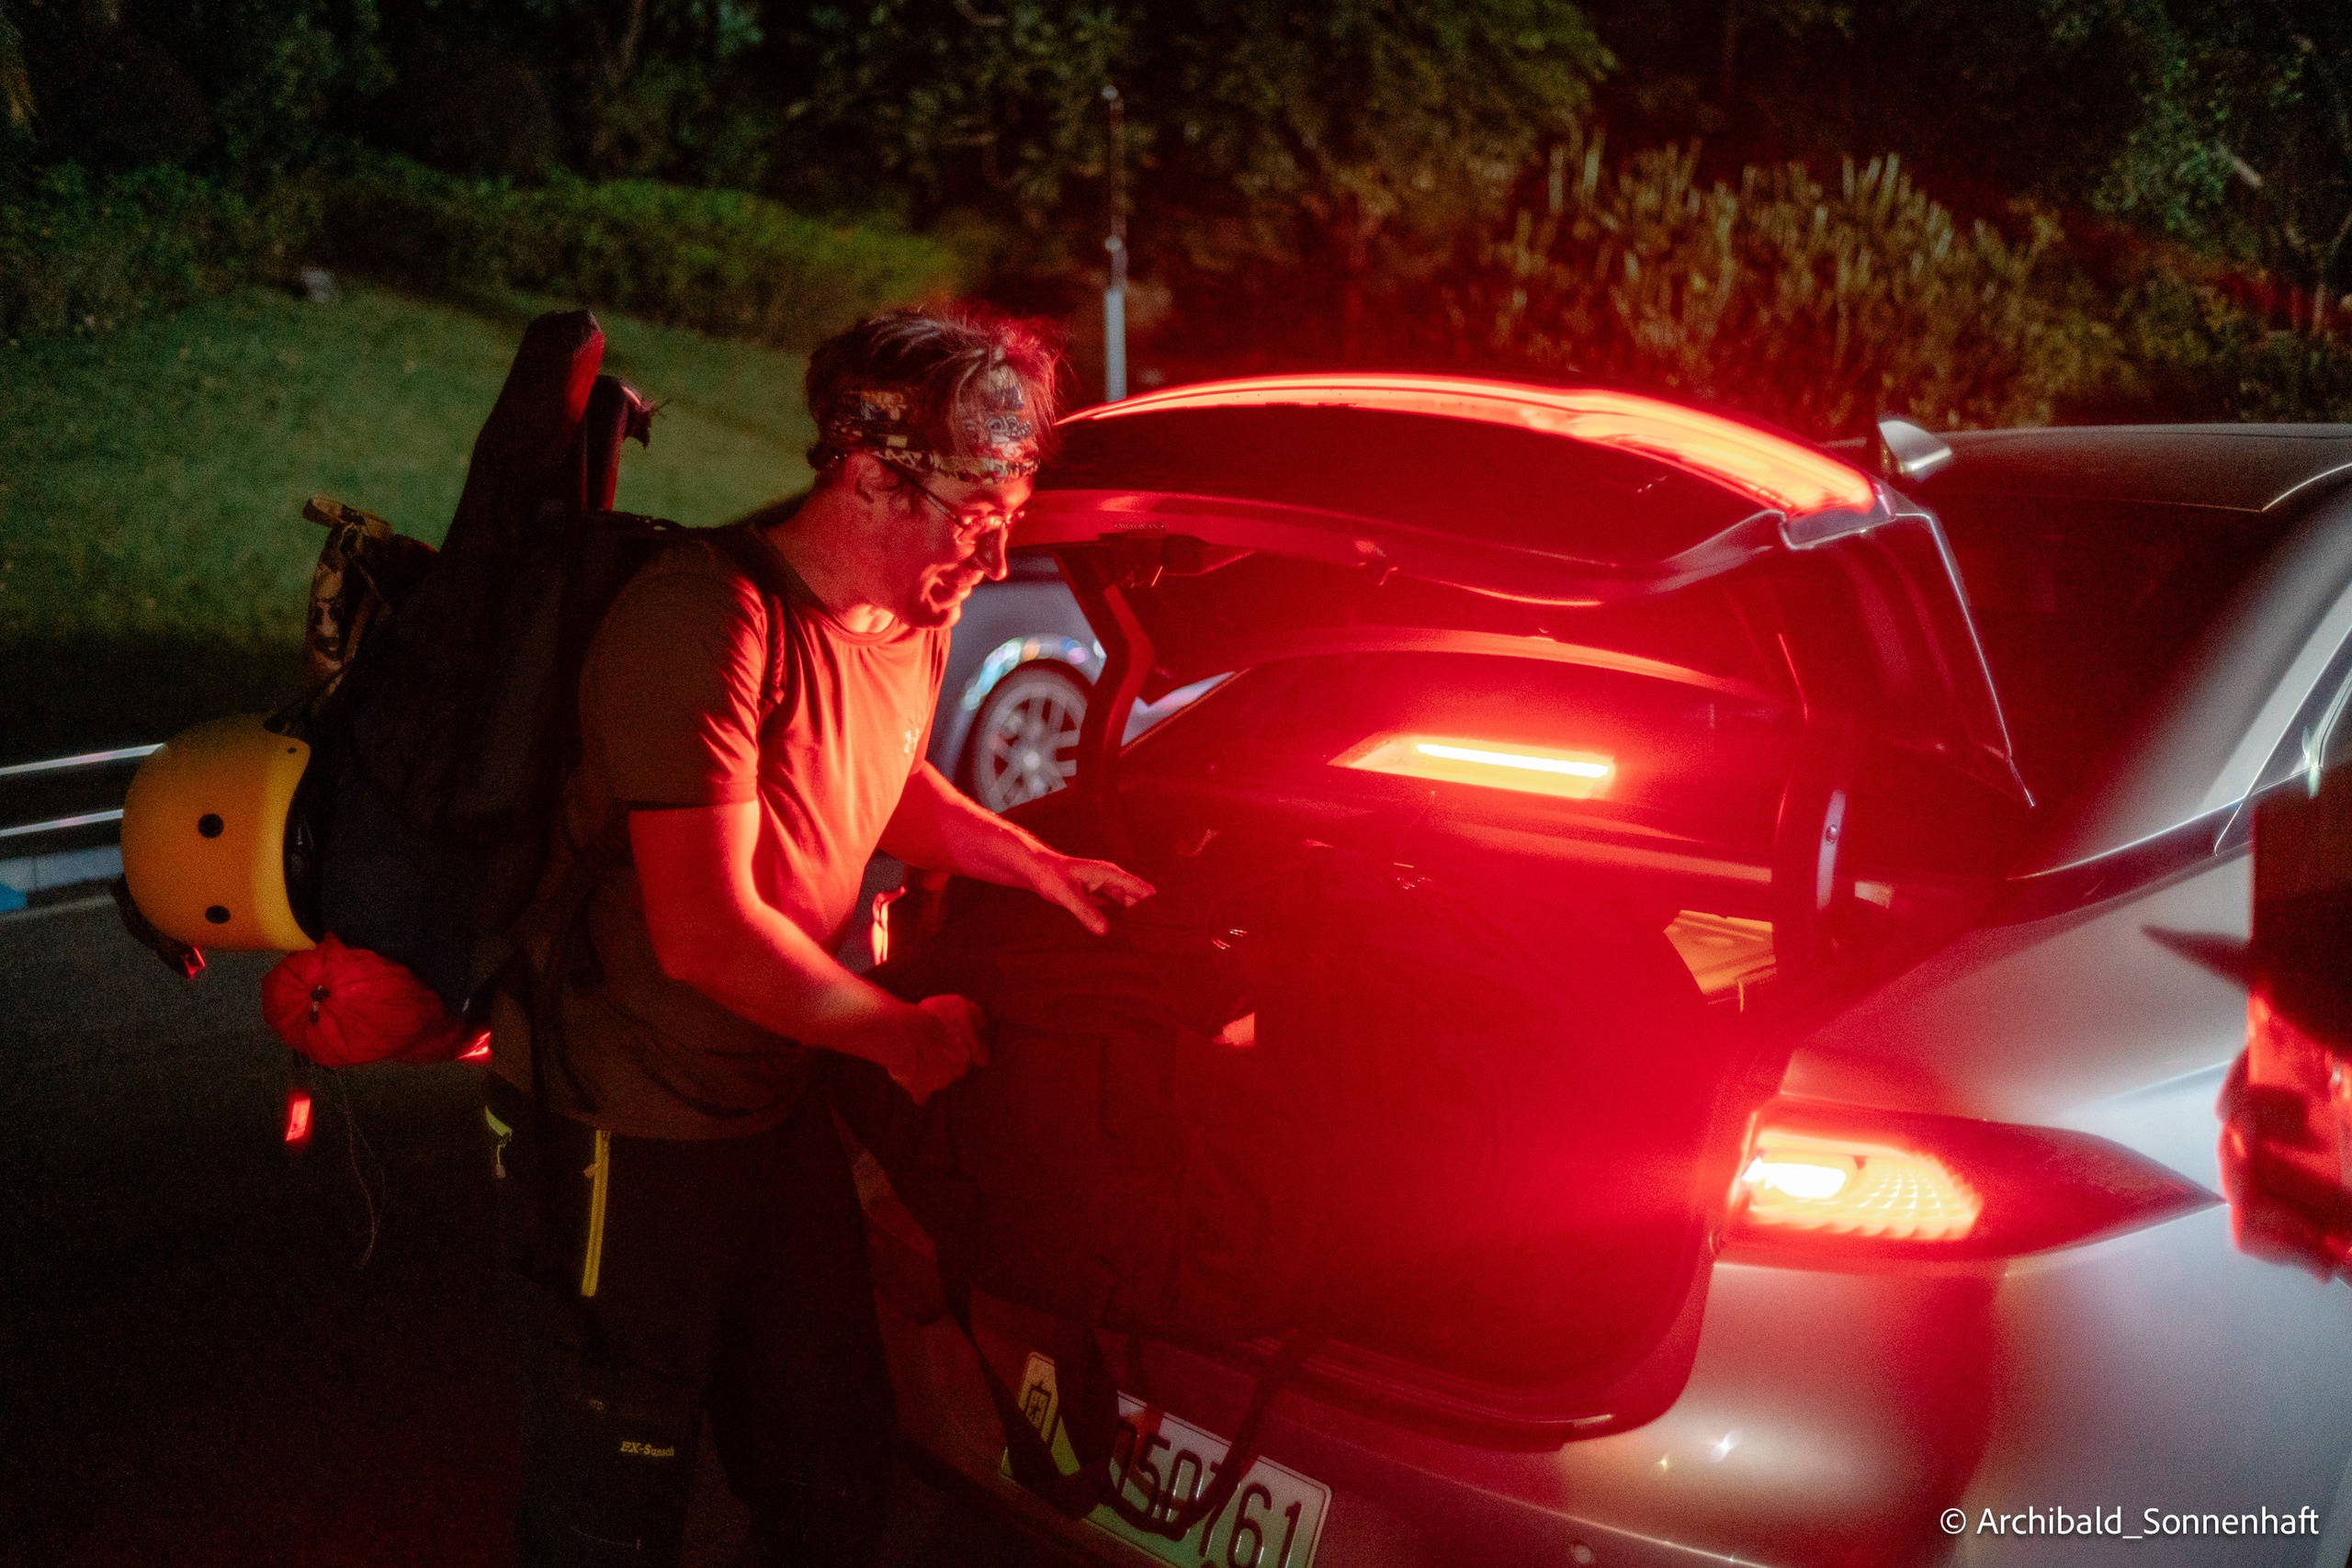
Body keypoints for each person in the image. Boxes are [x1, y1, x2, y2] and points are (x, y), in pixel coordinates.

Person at [481, 305, 1154, 1567]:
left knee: (832, 1461)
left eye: (1007, 522)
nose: (994, 561)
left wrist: (1035, 859)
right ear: (867, 477)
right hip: (625, 1123)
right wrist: (898, 1037)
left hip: (772, 1097)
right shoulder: (705, 621)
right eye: (974, 522)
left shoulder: (915, 613)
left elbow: (878, 769)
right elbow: (708, 936)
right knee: (611, 1500)